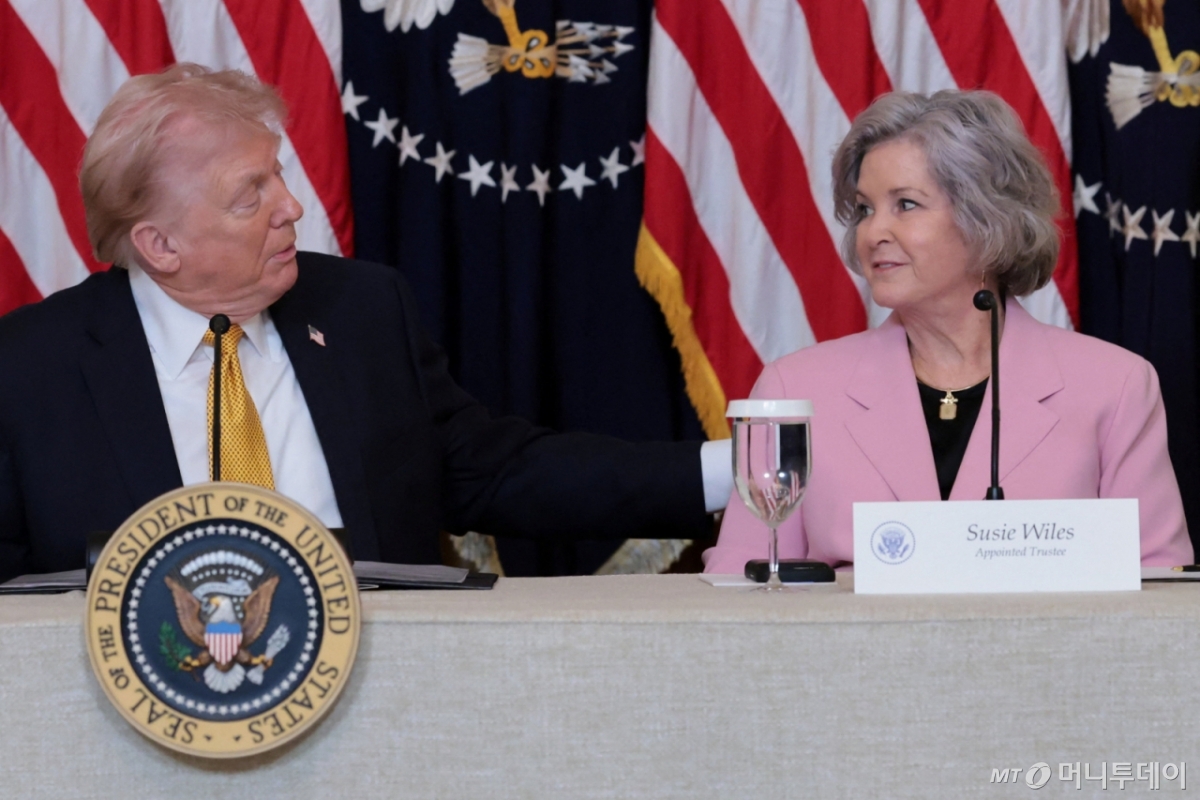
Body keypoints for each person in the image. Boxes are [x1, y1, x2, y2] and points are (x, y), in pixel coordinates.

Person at [0, 64, 730, 584]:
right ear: (160, 245)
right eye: (250, 196)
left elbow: (498, 471)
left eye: (278, 174)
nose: (292, 207)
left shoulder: (360, 310)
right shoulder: (30, 369)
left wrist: (735, 473)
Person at [704, 90, 1193, 573]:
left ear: (987, 219)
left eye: (906, 204)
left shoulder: (1115, 386)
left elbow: (1157, 583)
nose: (873, 233)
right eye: (865, 209)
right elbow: (745, 579)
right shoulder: (794, 391)